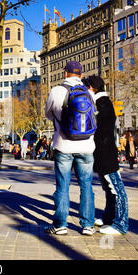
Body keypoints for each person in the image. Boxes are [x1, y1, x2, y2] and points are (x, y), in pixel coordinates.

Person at [44, 60, 96, 236]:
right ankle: (88, 225)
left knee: (63, 186)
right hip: (87, 146)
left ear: (65, 74)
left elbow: (48, 114)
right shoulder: (89, 93)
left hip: (63, 145)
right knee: (86, 186)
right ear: (81, 75)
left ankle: (60, 225)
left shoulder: (56, 91)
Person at [87, 75, 128, 235]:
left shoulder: (102, 104)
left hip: (106, 154)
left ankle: (121, 224)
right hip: (104, 153)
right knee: (108, 188)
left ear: (91, 88)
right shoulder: (102, 103)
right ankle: (109, 218)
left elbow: (102, 132)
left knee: (116, 188)